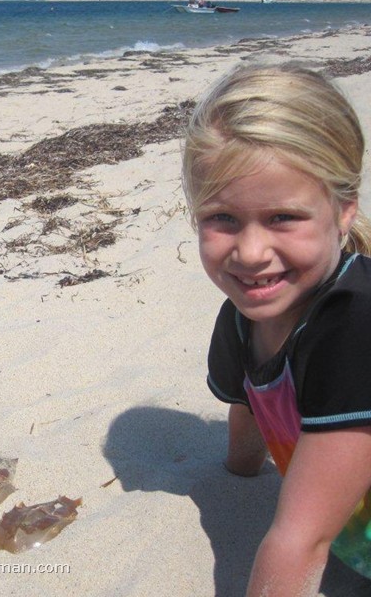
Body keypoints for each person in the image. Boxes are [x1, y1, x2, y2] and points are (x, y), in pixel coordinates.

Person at [182, 63, 371, 596]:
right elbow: (248, 409)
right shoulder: (243, 317)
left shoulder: (355, 324)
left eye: (283, 217)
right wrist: (239, 470)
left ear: (343, 210)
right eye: (223, 218)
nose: (250, 253)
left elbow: (300, 541)